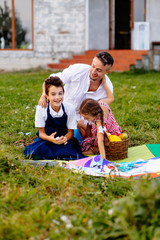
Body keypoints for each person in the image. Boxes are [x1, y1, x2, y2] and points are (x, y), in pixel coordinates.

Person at [39, 51, 115, 120]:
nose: (93, 72)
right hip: (62, 111)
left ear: (107, 72)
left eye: (99, 70)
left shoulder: (107, 87)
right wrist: (43, 95)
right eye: (93, 66)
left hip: (84, 121)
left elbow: (104, 105)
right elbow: (50, 80)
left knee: (104, 108)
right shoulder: (77, 70)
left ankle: (98, 132)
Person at [24, 76, 84, 160]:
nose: (57, 97)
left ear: (64, 93)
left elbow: (71, 132)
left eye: (60, 93)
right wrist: (50, 139)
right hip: (47, 139)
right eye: (53, 94)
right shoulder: (41, 108)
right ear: (47, 96)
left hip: (64, 140)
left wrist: (64, 138)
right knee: (37, 152)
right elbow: (41, 133)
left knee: (70, 153)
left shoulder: (70, 108)